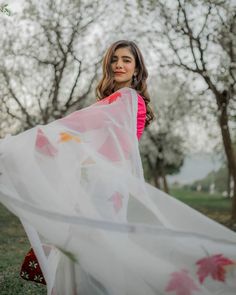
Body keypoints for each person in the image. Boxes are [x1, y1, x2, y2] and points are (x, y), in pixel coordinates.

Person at [0, 40, 236, 295]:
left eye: (126, 60)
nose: (119, 65)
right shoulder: (112, 102)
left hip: (106, 186)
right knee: (86, 251)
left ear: (137, 69)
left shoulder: (129, 98)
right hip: (95, 183)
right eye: (114, 59)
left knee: (96, 252)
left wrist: (31, 139)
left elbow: (83, 122)